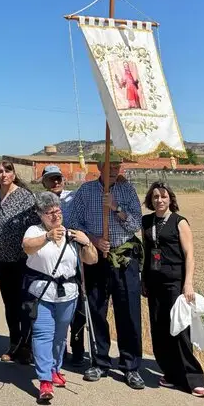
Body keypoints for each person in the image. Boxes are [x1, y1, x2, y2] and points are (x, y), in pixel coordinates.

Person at [69, 158, 145, 389]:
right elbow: (73, 221)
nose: (112, 170)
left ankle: (130, 366)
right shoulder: (86, 190)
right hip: (96, 258)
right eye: (108, 166)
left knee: (129, 313)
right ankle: (100, 361)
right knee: (97, 310)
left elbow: (136, 224)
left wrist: (116, 208)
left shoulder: (127, 190)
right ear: (99, 168)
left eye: (116, 167)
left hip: (124, 259)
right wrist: (94, 239)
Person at [22, 192, 98, 403]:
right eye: (49, 213)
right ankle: (45, 380)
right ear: (40, 215)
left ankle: (55, 368)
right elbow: (27, 247)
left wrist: (87, 242)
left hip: (68, 294)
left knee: (59, 336)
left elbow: (92, 260)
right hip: (42, 293)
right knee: (43, 334)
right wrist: (47, 237)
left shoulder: (71, 234)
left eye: (57, 211)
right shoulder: (34, 231)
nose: (55, 216)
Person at [141, 182, 204, 397]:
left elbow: (190, 255)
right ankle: (169, 372)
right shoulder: (146, 221)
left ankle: (193, 378)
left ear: (171, 199)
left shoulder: (180, 222)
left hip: (175, 282)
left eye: (164, 197)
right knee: (159, 329)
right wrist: (144, 279)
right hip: (154, 281)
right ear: (151, 200)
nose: (159, 200)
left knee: (179, 329)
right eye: (156, 197)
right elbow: (147, 253)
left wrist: (188, 283)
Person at [0, 159, 39, 364]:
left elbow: (34, 226)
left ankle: (28, 347)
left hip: (23, 260)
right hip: (1, 260)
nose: (4, 174)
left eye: (7, 171)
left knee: (26, 305)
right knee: (10, 305)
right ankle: (14, 344)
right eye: (0, 171)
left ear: (14, 174)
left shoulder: (25, 197)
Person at [42, 164, 85, 365]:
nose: (56, 182)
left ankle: (77, 349)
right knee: (51, 307)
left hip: (72, 257)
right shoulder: (40, 201)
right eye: (51, 179)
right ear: (44, 182)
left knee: (76, 306)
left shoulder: (74, 197)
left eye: (58, 178)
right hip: (48, 260)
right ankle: (55, 350)